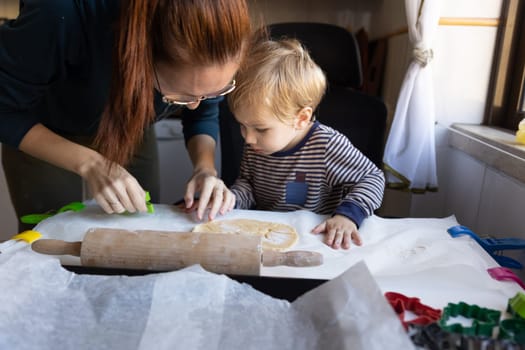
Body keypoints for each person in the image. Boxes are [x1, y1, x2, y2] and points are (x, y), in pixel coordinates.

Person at [0, 0, 250, 231]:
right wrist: (91, 163)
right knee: (51, 235)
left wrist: (204, 168)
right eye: (183, 96)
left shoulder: (207, 29)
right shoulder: (59, 13)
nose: (193, 106)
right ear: (141, 54)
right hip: (42, 128)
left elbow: (203, 108)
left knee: (140, 229)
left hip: (131, 123)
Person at [227, 37, 386, 250]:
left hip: (317, 240)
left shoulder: (327, 144)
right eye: (242, 126)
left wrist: (348, 215)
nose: (247, 138)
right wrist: (231, 200)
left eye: (260, 128)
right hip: (269, 239)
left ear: (301, 118)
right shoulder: (257, 145)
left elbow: (372, 178)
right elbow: (248, 185)